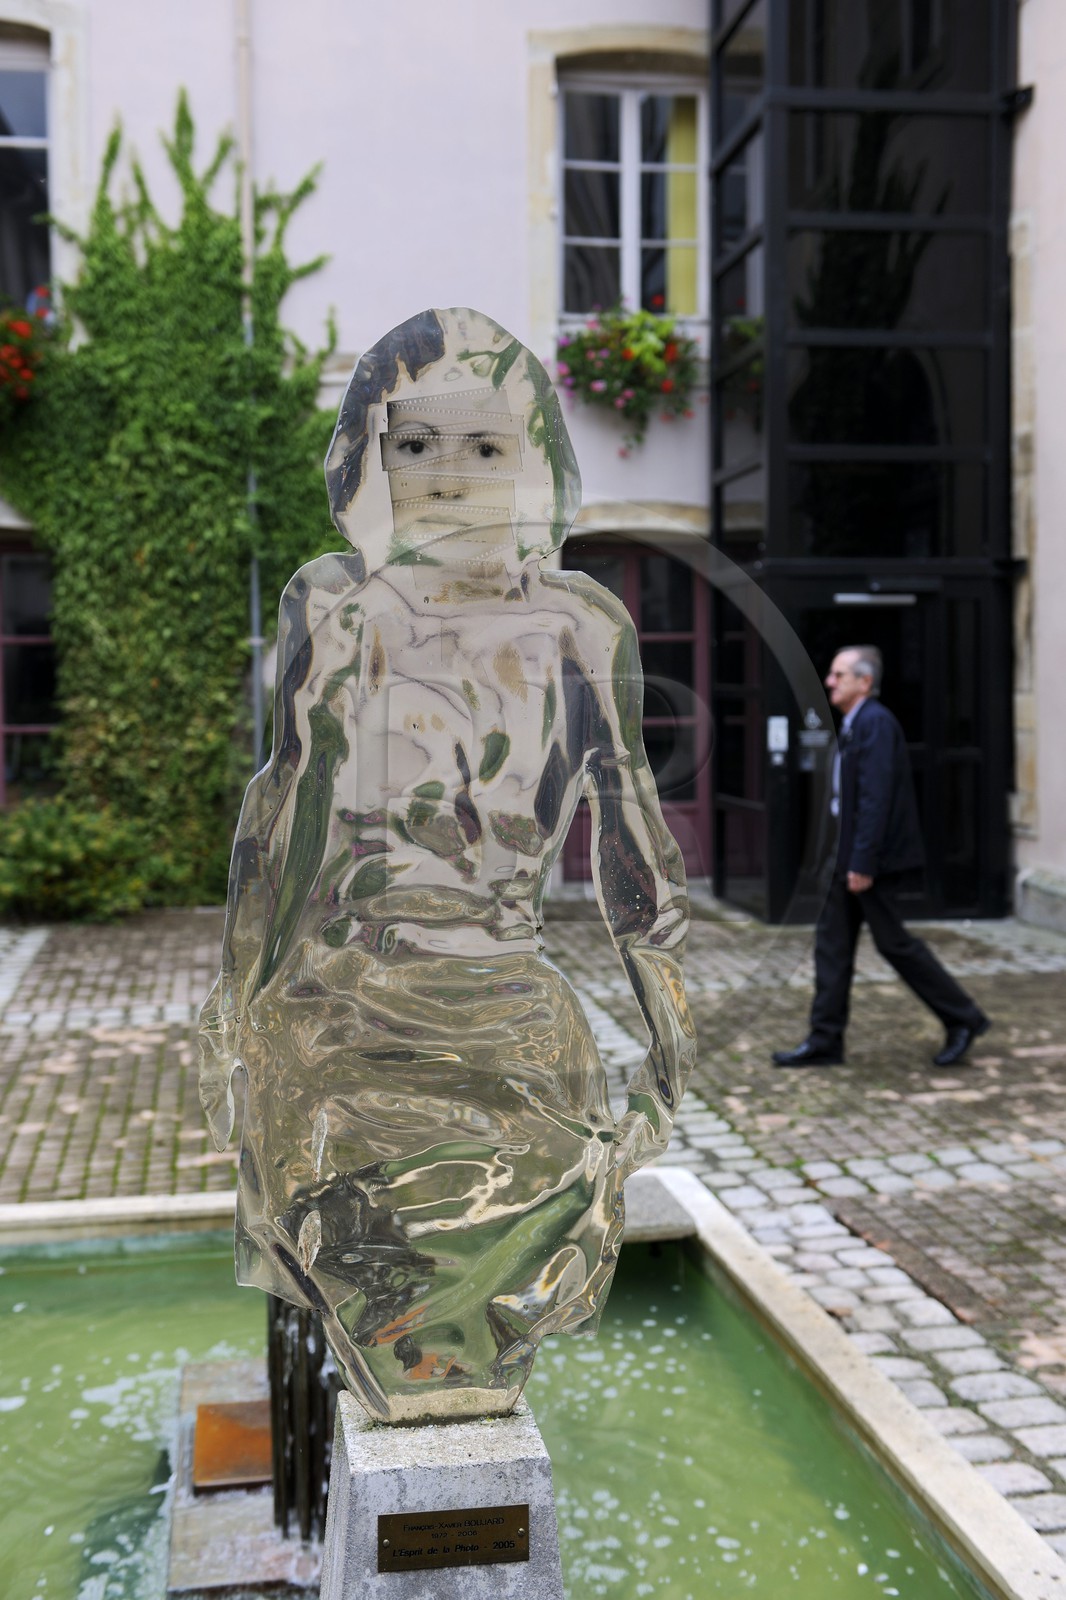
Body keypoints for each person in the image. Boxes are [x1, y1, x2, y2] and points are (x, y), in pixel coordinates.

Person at [197, 307, 696, 1424]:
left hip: (510, 1025)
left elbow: (633, 843)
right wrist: (235, 1014)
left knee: (494, 1284)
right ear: (372, 457)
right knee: (356, 1264)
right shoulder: (335, 608)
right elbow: (279, 819)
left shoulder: (582, 625)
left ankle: (455, 1386)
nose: (447, 474)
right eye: (414, 444)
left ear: (529, 460)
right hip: (349, 1016)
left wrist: (668, 1048)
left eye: (483, 446)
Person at [773, 645, 989, 1070]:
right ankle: (825, 1040)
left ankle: (964, 1018)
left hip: (866, 863)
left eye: (839, 674)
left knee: (896, 945)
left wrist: (862, 863)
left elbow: (875, 799)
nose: (830, 682)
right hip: (846, 858)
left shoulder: (875, 723)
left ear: (864, 682)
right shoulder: (855, 724)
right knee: (832, 948)